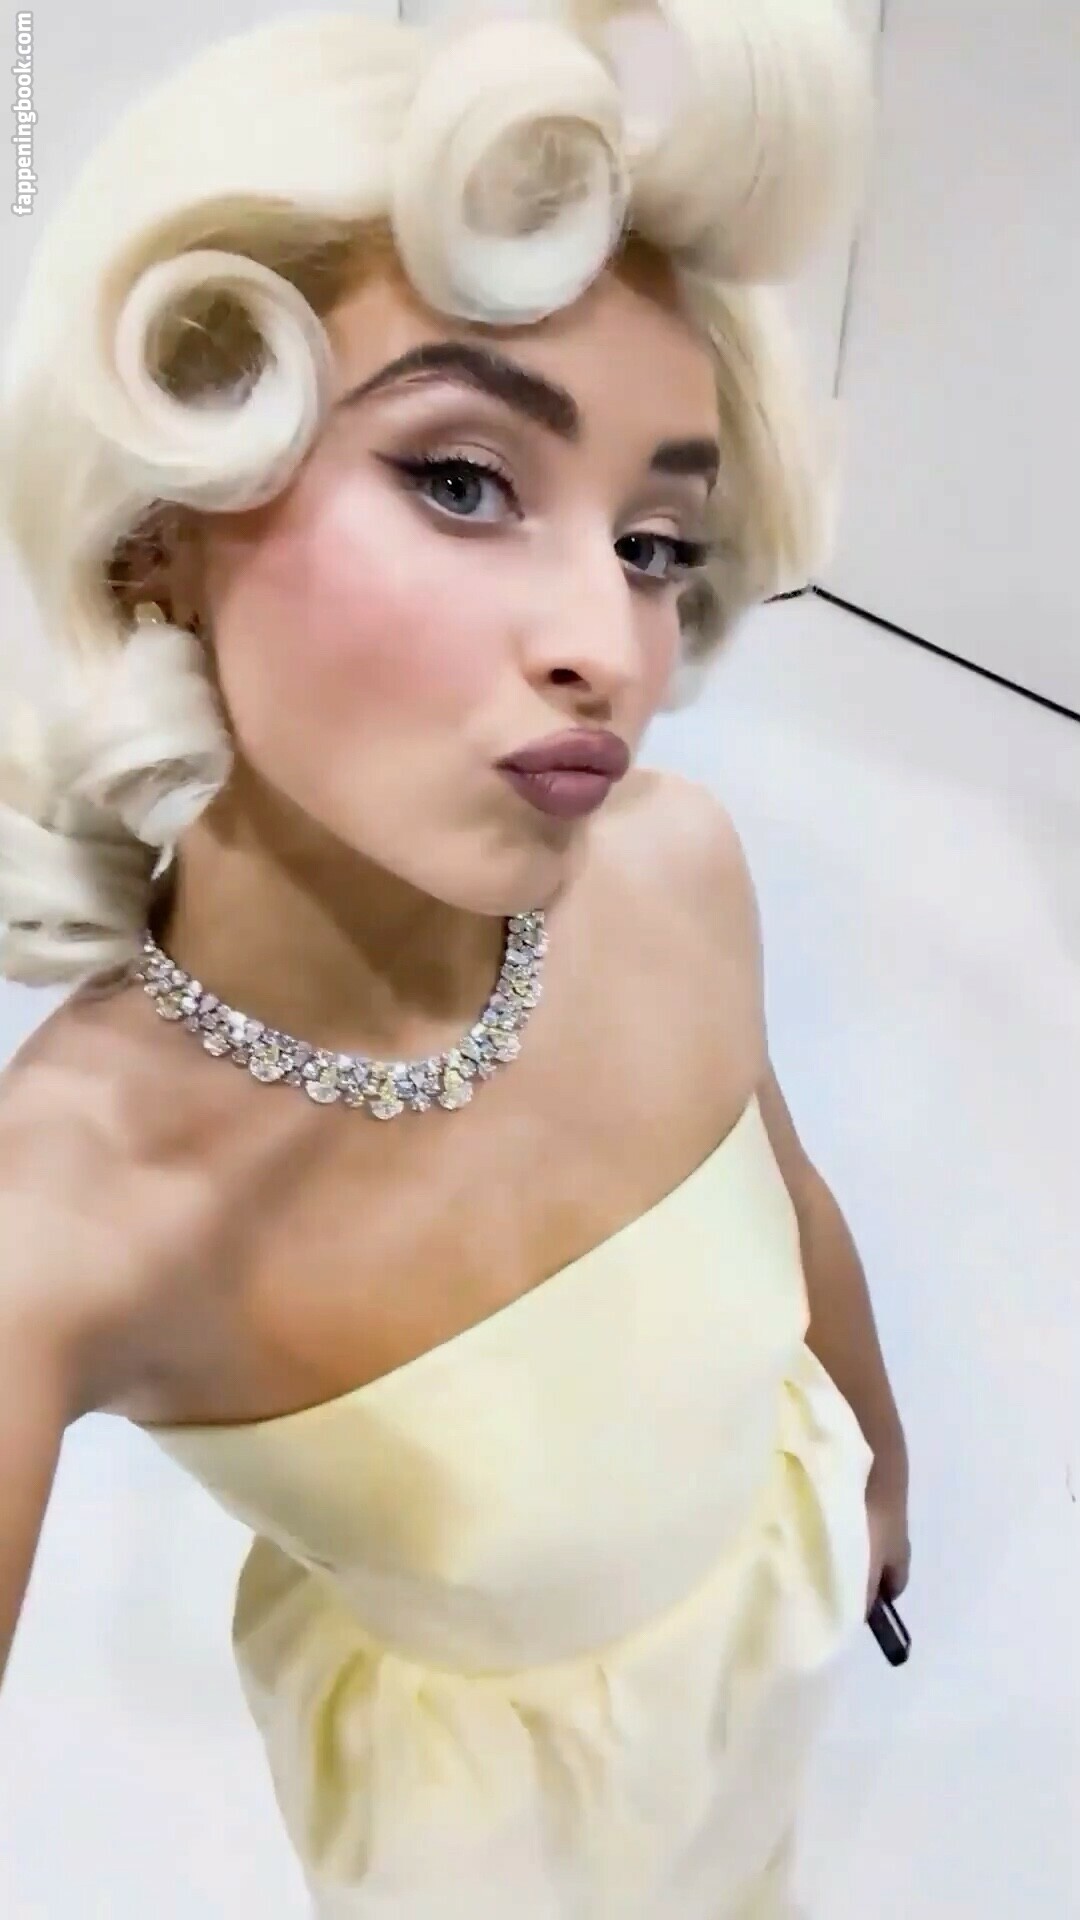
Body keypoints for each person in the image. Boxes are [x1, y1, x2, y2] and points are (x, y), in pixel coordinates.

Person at [0, 2, 910, 1913]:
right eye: (465, 479)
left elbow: (789, 1194)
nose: (611, 645)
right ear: (162, 525)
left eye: (654, 539)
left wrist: (877, 1475)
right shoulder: (65, 1220)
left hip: (762, 1645)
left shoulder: (675, 867)